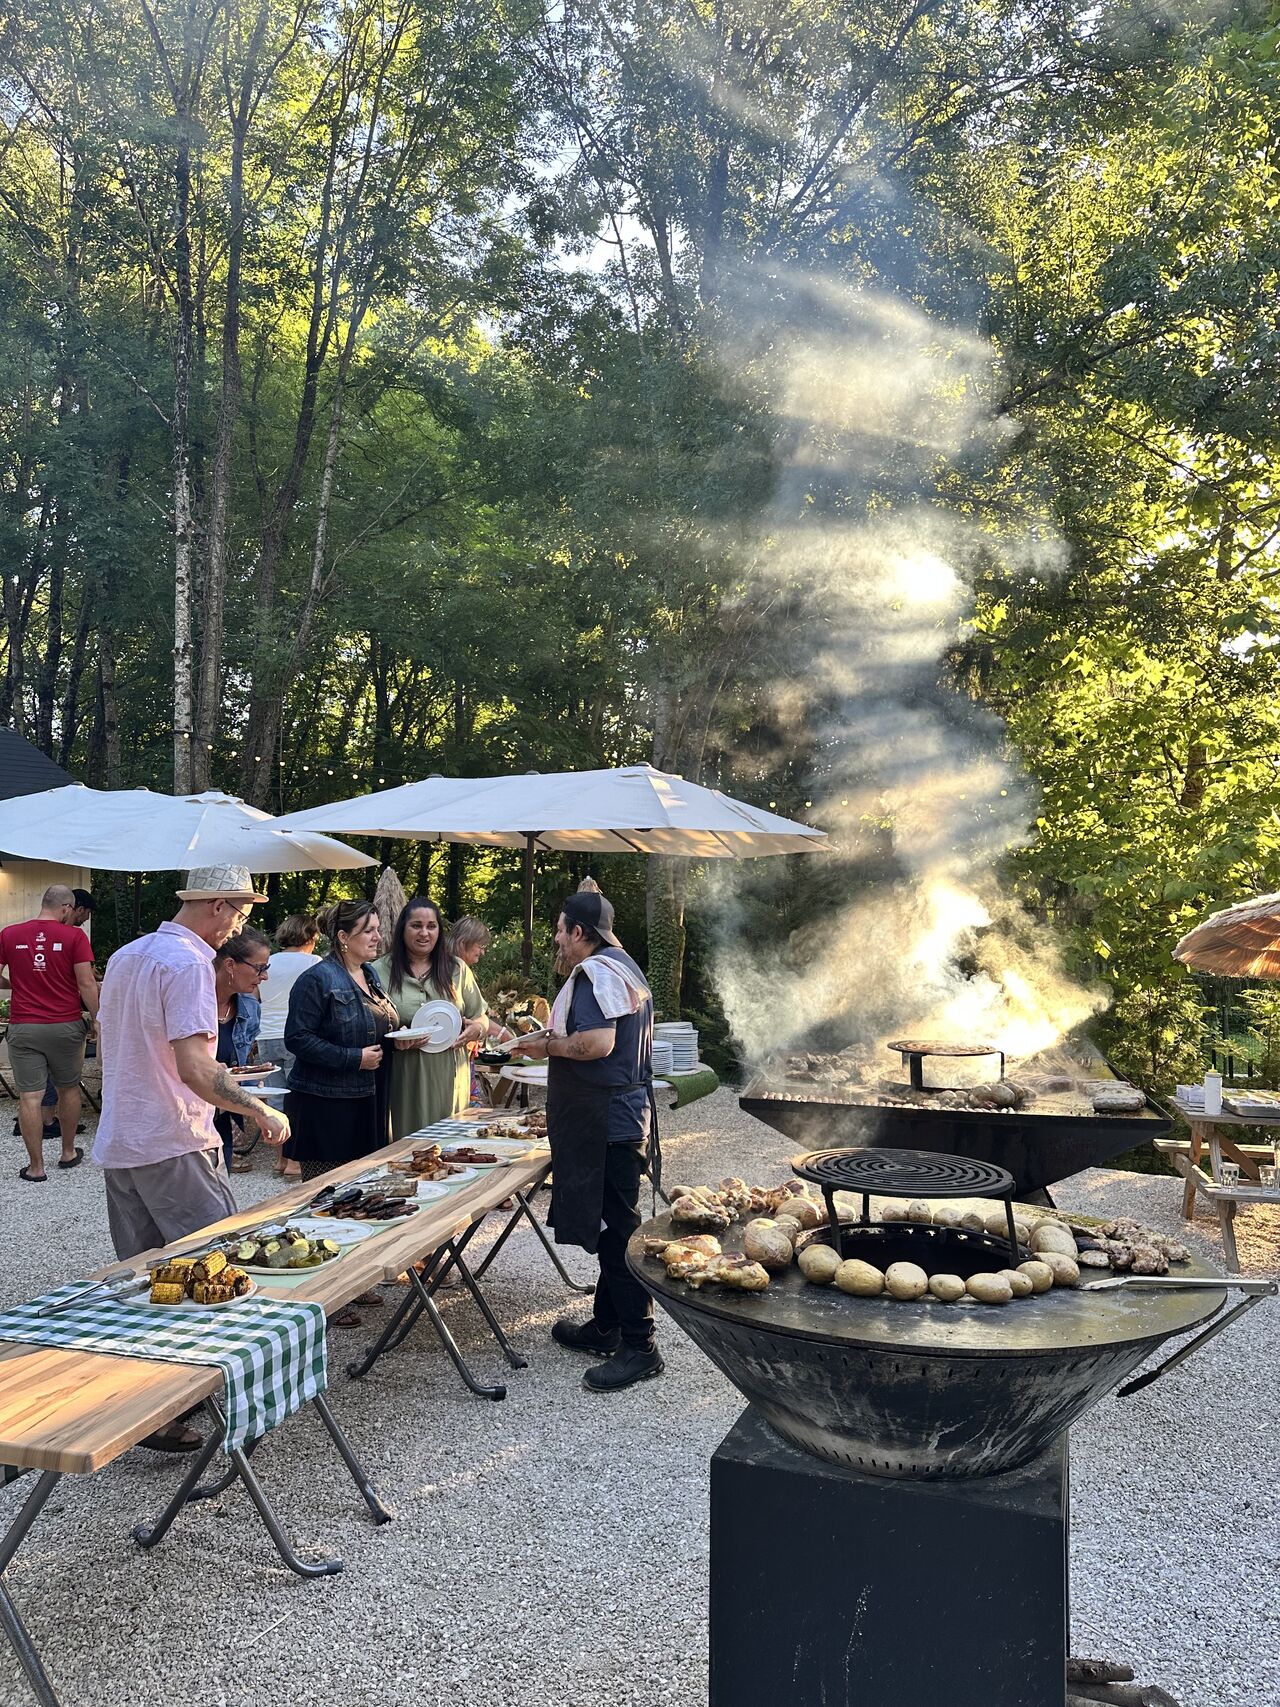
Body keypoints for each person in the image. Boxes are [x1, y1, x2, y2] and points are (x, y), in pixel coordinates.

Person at [93, 865, 289, 1448]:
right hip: (175, 1139)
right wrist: (260, 1110)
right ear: (220, 906)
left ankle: (150, 1404)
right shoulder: (188, 965)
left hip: (125, 1138)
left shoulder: (127, 956)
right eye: (241, 912)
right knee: (219, 1269)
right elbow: (196, 1069)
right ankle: (233, 1398)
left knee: (147, 1282)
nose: (239, 926)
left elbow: (117, 1046)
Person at [517, 885, 661, 1392]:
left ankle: (640, 1345)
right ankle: (606, 1326)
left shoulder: (597, 972)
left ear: (580, 932)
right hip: (616, 1116)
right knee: (610, 1226)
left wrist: (546, 1045)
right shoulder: (627, 966)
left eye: (560, 930)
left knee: (618, 1235)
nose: (557, 939)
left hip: (606, 1121)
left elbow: (598, 1044)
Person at [284, 897, 398, 1327]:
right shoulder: (317, 979)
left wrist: (399, 1039)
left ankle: (352, 1278)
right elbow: (297, 1038)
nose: (376, 937)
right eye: (367, 930)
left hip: (366, 1100)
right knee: (327, 1201)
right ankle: (324, 1294)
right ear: (343, 937)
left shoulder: (369, 975)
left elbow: (379, 1027)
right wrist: (352, 1058)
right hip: (325, 1103)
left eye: (377, 929)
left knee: (360, 1196)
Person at [0, 884, 99, 1180]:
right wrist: (97, 1018)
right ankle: (68, 1152)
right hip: (65, 1026)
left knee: (30, 1096)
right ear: (67, 908)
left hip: (24, 1026)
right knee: (69, 1088)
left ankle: (36, 1168)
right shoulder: (75, 936)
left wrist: (14, 984)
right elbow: (86, 983)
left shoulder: (9, 934)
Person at [373, 898, 488, 1139]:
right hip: (404, 1076)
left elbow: (480, 1016)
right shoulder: (379, 971)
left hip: (450, 1075)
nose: (424, 933)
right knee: (407, 1151)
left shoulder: (456, 969)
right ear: (402, 929)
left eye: (431, 926)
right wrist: (394, 1038)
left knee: (451, 1150)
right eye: (416, 925)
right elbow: (368, 1026)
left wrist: (476, 1028)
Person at [257, 914, 319, 1177]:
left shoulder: (266, 962)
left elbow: (255, 995)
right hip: (297, 1036)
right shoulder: (315, 963)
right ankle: (295, 1162)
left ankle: (280, 1160)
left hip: (266, 1036)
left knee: (275, 1100)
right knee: (300, 1099)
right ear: (310, 937)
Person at [211, 927, 269, 1174]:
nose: (264, 976)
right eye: (259, 968)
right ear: (230, 964)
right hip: (185, 1118)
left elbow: (240, 1068)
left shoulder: (249, 1007)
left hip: (223, 1113)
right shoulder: (192, 999)